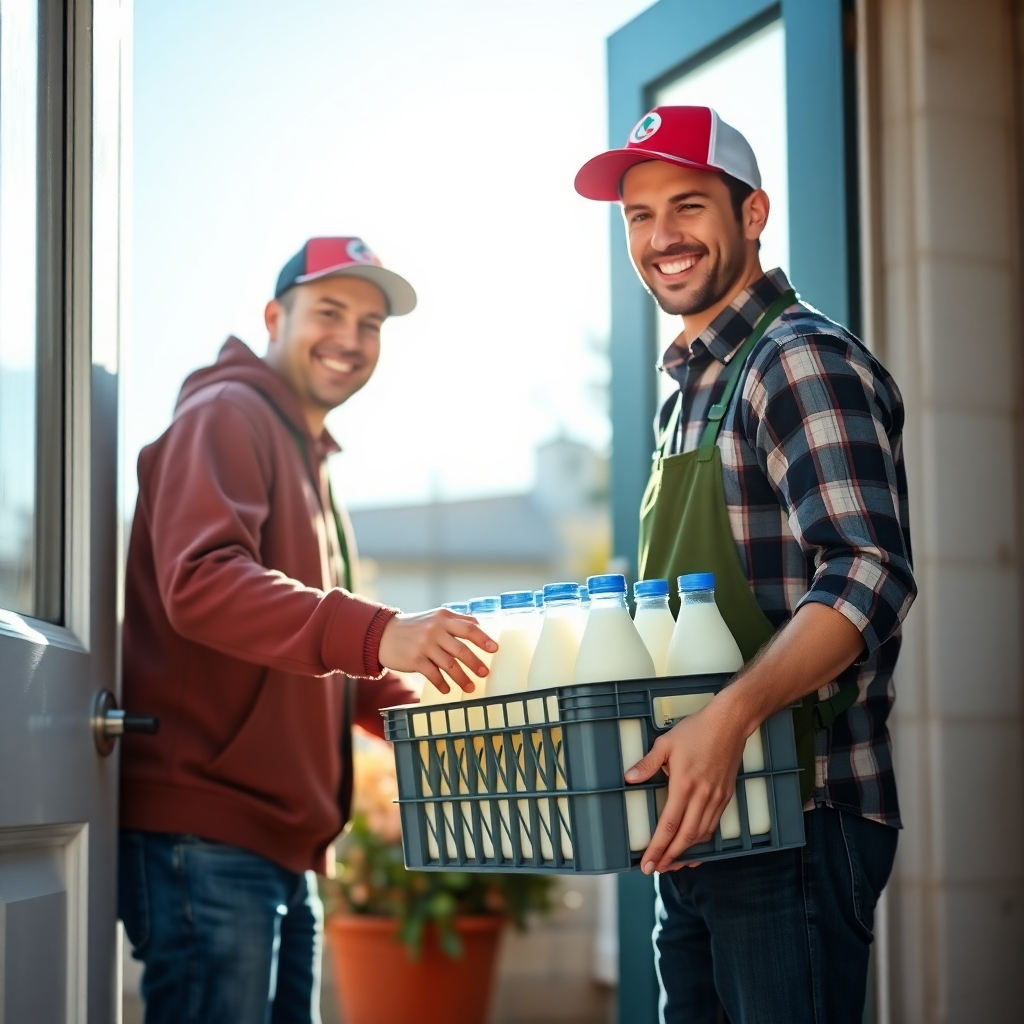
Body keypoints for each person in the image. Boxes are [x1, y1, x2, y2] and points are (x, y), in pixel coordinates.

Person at [574, 107, 916, 1023]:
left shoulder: (799, 360)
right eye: (639, 217)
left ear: (753, 212)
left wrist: (727, 723)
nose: (662, 238)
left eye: (687, 206)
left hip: (794, 819)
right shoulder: (687, 395)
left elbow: (868, 572)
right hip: (699, 824)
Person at [119, 236, 495, 1024]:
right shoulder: (225, 415)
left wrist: (413, 712)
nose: (351, 339)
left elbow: (309, 647)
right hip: (207, 838)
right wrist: (383, 630)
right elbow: (203, 582)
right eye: (329, 312)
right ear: (273, 316)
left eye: (371, 324)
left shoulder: (310, 457)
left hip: (280, 849)